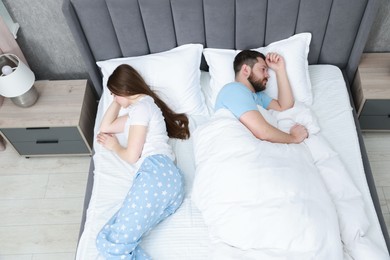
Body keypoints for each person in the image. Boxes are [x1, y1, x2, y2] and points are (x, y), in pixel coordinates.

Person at [95, 64, 189, 259]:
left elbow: (131, 155)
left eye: (114, 94)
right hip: (168, 183)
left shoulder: (141, 109)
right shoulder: (141, 110)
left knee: (113, 244)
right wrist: (118, 99)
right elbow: (106, 127)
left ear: (125, 90)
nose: (112, 99)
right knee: (106, 238)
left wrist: (115, 147)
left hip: (156, 175)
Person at [214, 50, 308, 144]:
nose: (268, 75)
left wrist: (280, 69)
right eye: (263, 69)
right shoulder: (234, 89)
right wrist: (294, 138)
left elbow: (285, 106)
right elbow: (262, 132)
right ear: (246, 70)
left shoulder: (258, 97)